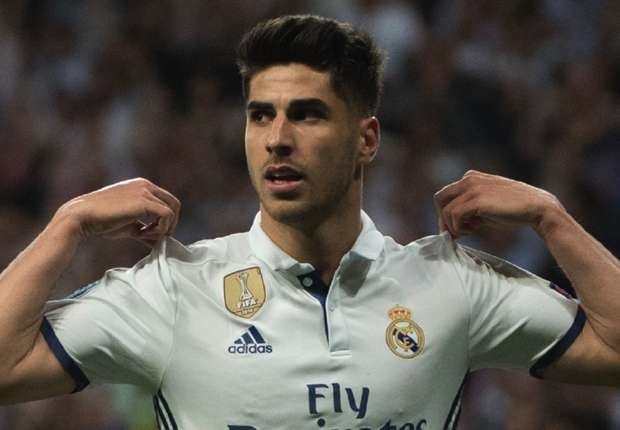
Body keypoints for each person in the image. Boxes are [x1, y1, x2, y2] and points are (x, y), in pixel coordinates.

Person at [0, 14, 619, 430]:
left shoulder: (451, 283)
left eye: (307, 114)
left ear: (366, 138)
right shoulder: (173, 289)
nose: (277, 138)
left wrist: (552, 218)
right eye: (260, 116)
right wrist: (68, 223)